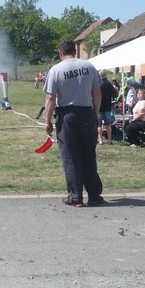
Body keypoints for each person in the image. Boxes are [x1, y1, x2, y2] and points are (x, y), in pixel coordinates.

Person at [43, 40, 104, 207]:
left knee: (71, 156)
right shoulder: (89, 66)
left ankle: (75, 196)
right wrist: (96, 113)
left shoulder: (56, 70)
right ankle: (94, 195)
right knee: (89, 155)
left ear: (61, 53)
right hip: (86, 113)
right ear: (74, 52)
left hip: (67, 115)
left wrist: (48, 121)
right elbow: (97, 93)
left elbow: (50, 98)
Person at [97, 69, 116, 145]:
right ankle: (110, 140)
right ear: (106, 76)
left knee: (99, 124)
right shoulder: (109, 84)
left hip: (99, 106)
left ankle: (100, 140)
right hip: (107, 106)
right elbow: (113, 94)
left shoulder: (98, 84)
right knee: (108, 124)